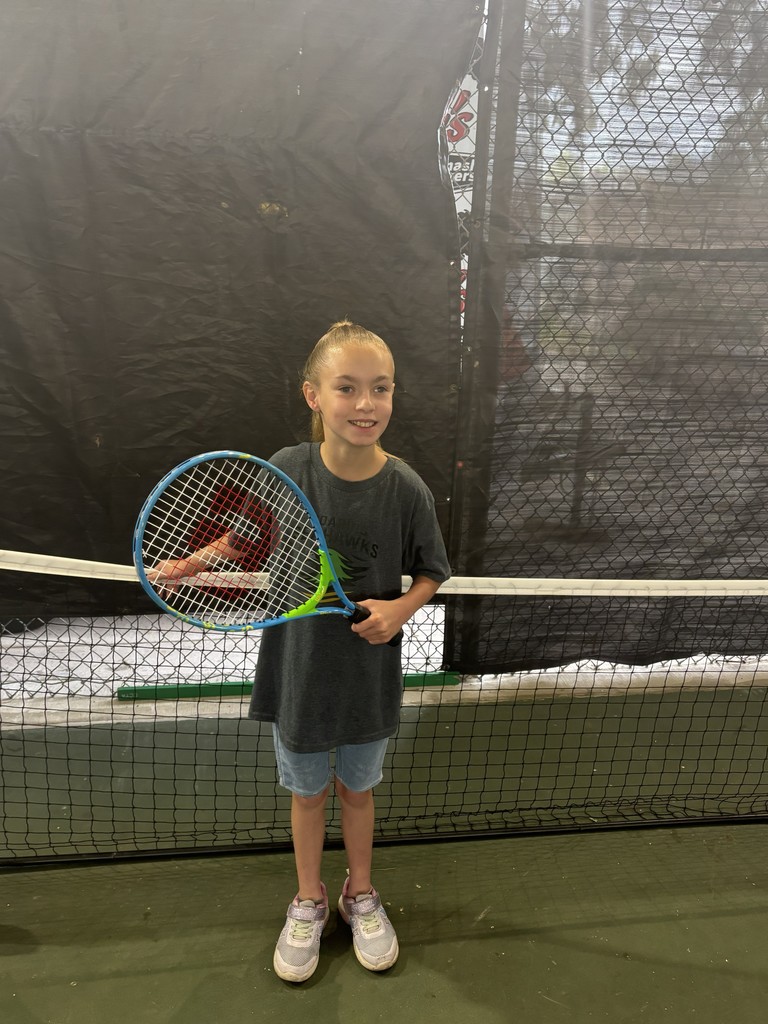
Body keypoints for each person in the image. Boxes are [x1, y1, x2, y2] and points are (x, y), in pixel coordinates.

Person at [152, 320, 451, 982]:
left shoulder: (406, 488)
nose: (365, 403)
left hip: (368, 676)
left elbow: (433, 571)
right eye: (347, 388)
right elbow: (243, 537)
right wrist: (191, 563)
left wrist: (400, 609)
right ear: (313, 395)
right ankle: (309, 899)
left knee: (358, 791)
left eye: (380, 388)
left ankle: (359, 893)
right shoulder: (286, 469)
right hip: (297, 674)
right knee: (309, 795)